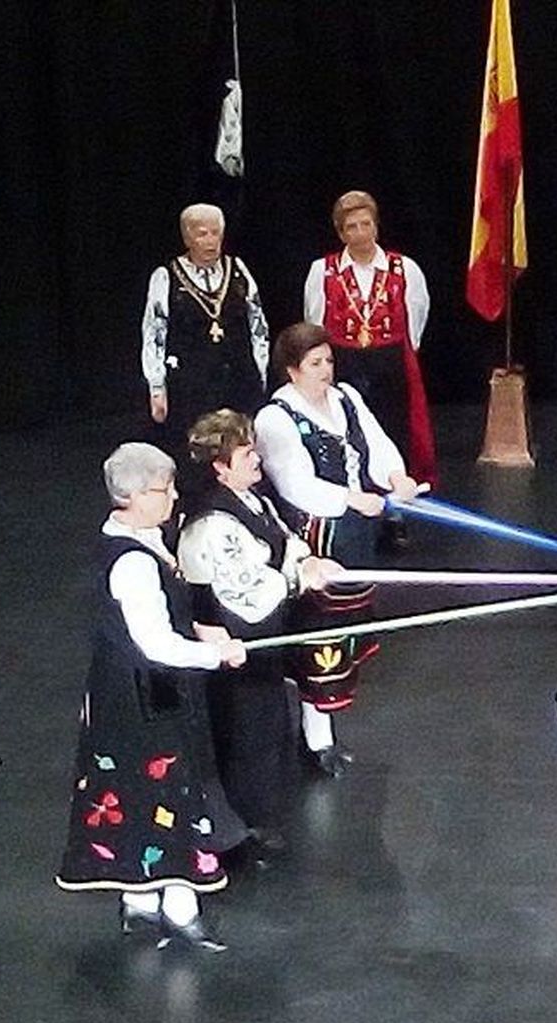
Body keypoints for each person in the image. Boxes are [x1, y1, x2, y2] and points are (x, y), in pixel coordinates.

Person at [56, 442, 248, 951]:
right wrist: (215, 656)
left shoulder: (136, 540)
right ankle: (175, 909)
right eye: (165, 489)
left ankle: (142, 903)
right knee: (167, 794)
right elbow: (156, 643)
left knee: (141, 792)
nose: (174, 497)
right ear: (136, 496)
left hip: (132, 696)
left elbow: (170, 618)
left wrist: (202, 630)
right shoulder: (133, 563)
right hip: (146, 701)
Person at [254, 322, 421, 775]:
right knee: (319, 632)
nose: (326, 370)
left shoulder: (345, 398)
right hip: (315, 537)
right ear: (292, 370)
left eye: (328, 360)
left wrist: (396, 477)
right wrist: (350, 498)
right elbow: (294, 483)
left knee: (344, 629)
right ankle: (316, 739)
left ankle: (321, 730)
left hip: (353, 533)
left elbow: (376, 444)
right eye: (315, 364)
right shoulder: (276, 418)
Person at [178, 410, 345, 850]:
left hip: (264, 641)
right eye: (247, 453)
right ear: (221, 466)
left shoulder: (255, 501)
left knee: (269, 724)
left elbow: (285, 542)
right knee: (245, 731)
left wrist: (308, 560)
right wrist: (297, 580)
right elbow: (243, 591)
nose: (257, 459)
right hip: (235, 642)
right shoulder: (211, 522)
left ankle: (260, 813)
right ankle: (241, 824)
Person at [302, 190, 438, 498]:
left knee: (395, 429)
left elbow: (417, 315)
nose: (361, 233)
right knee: (347, 428)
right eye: (352, 227)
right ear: (341, 233)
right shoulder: (323, 270)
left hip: (391, 362)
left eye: (366, 224)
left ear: (376, 226)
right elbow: (314, 322)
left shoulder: (404, 268)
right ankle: (355, 492)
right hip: (344, 362)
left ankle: (398, 496)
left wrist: (401, 351)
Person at [140, 204, 270, 464]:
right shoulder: (166, 276)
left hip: (237, 379)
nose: (211, 241)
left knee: (241, 445)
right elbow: (154, 334)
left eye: (215, 233)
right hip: (190, 385)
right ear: (187, 238)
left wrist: (262, 371)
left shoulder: (237, 269)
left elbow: (258, 324)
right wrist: (156, 387)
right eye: (202, 234)